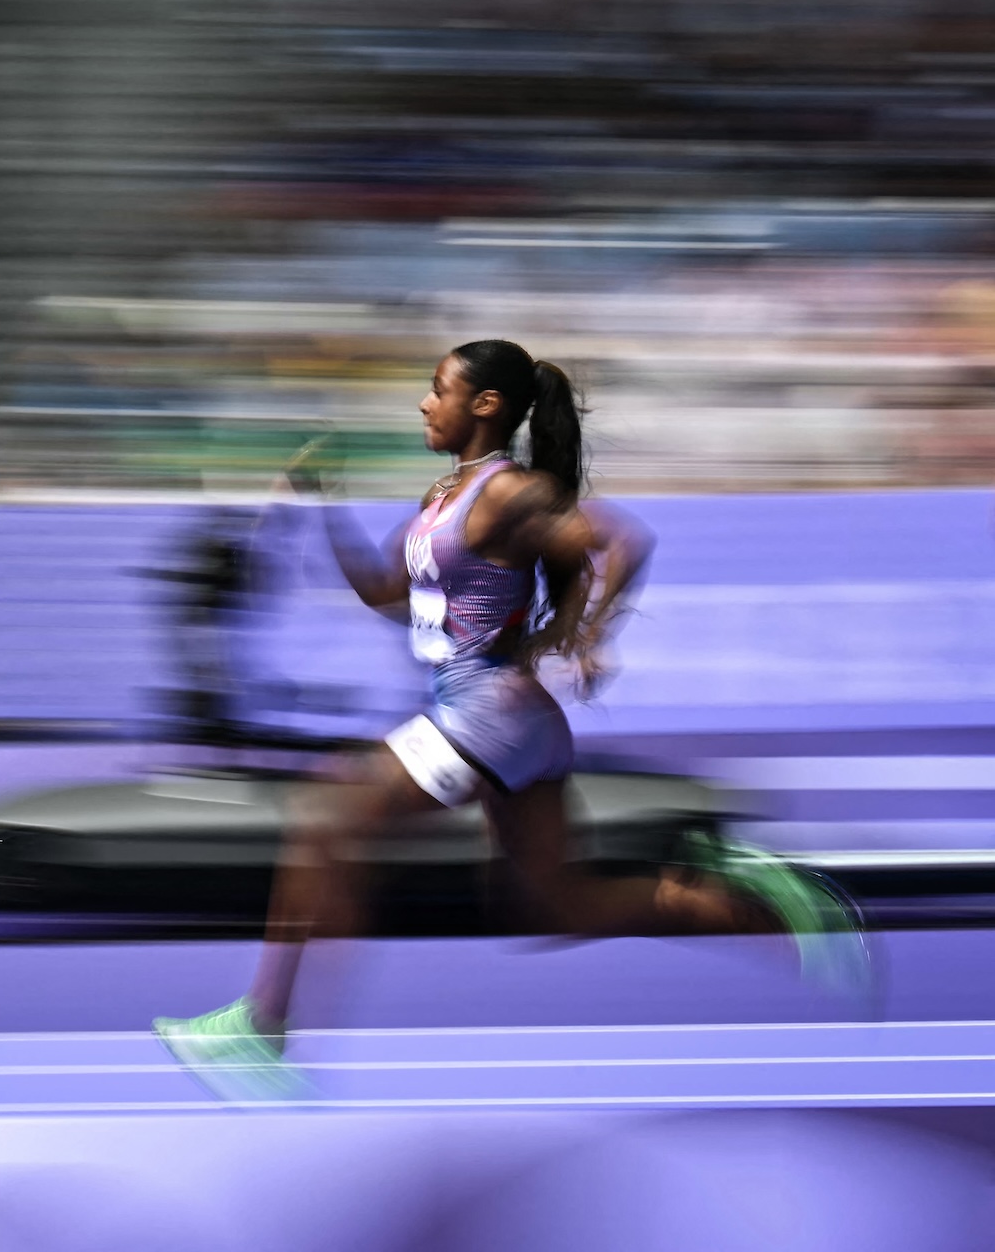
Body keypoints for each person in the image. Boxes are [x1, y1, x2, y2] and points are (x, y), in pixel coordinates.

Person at [153, 339, 868, 1101]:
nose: (425, 404)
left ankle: (263, 1029)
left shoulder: (506, 494)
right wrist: (324, 510)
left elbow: (620, 539)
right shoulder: (443, 499)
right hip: (505, 720)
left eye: (438, 390)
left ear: (484, 405)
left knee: (325, 823)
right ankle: (758, 897)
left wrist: (590, 635)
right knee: (557, 906)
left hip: (486, 711)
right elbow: (380, 590)